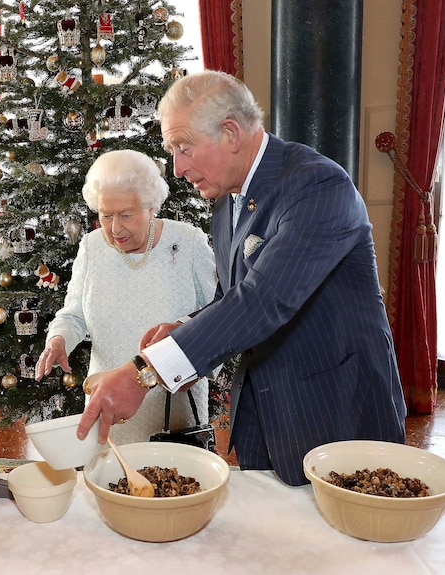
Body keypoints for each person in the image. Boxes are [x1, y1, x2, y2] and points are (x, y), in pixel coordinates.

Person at [77, 70, 407, 486]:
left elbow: (262, 300)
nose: (177, 168)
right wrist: (186, 327)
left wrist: (144, 372)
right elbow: (231, 297)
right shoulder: (227, 198)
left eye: (183, 148)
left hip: (335, 411)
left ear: (231, 134)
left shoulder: (318, 186)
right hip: (265, 416)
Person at [35, 149, 216, 445]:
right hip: (108, 405)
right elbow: (73, 315)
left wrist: (199, 366)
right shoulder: (92, 247)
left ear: (151, 206)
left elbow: (217, 316)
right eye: (106, 216)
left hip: (173, 409)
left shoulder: (188, 242)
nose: (115, 228)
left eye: (126, 215)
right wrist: (59, 340)